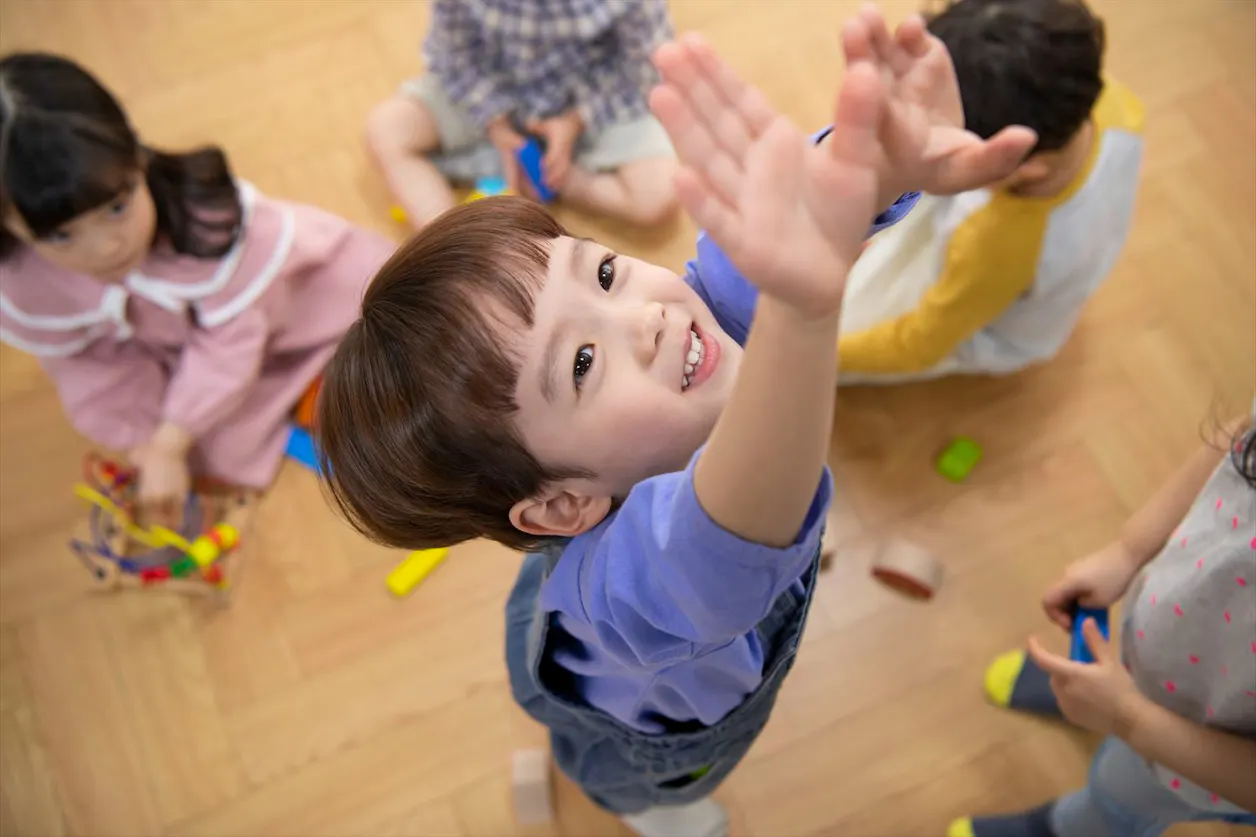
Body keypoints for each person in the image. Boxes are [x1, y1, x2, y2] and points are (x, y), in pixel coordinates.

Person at [316, 10, 1033, 835]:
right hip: (644, 731)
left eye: (608, 273)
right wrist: (805, 309)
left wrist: (868, 161)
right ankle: (657, 813)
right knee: (654, 785)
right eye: (582, 363)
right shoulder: (643, 581)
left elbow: (745, 253)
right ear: (559, 506)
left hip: (588, 601)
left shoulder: (686, 334)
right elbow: (716, 543)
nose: (646, 316)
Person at [0, 52, 394, 517]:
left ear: (137, 156)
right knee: (210, 451)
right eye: (61, 235)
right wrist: (151, 441)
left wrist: (170, 442)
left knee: (382, 305)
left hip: (297, 304)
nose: (106, 247)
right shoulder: (28, 286)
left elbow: (231, 343)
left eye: (117, 207)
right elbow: (91, 370)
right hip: (199, 348)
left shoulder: (211, 227)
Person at [950, 412, 1256, 837]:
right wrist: (1128, 552)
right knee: (1110, 707)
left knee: (1119, 792)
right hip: (1166, 652)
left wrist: (1129, 718)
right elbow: (1241, 436)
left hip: (1198, 758)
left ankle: (1069, 828)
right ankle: (1094, 691)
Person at [833, 0, 1144, 384]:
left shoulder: (993, 244)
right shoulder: (1103, 98)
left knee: (839, 322)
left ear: (1016, 164)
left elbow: (920, 343)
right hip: (1058, 261)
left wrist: (825, 353)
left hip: (993, 330)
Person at [364, 0, 679, 229]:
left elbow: (645, 63)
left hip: (590, 98)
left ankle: (557, 179)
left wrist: (575, 120)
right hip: (491, 90)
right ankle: (450, 240)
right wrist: (496, 122)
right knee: (386, 129)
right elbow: (453, 53)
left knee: (658, 195)